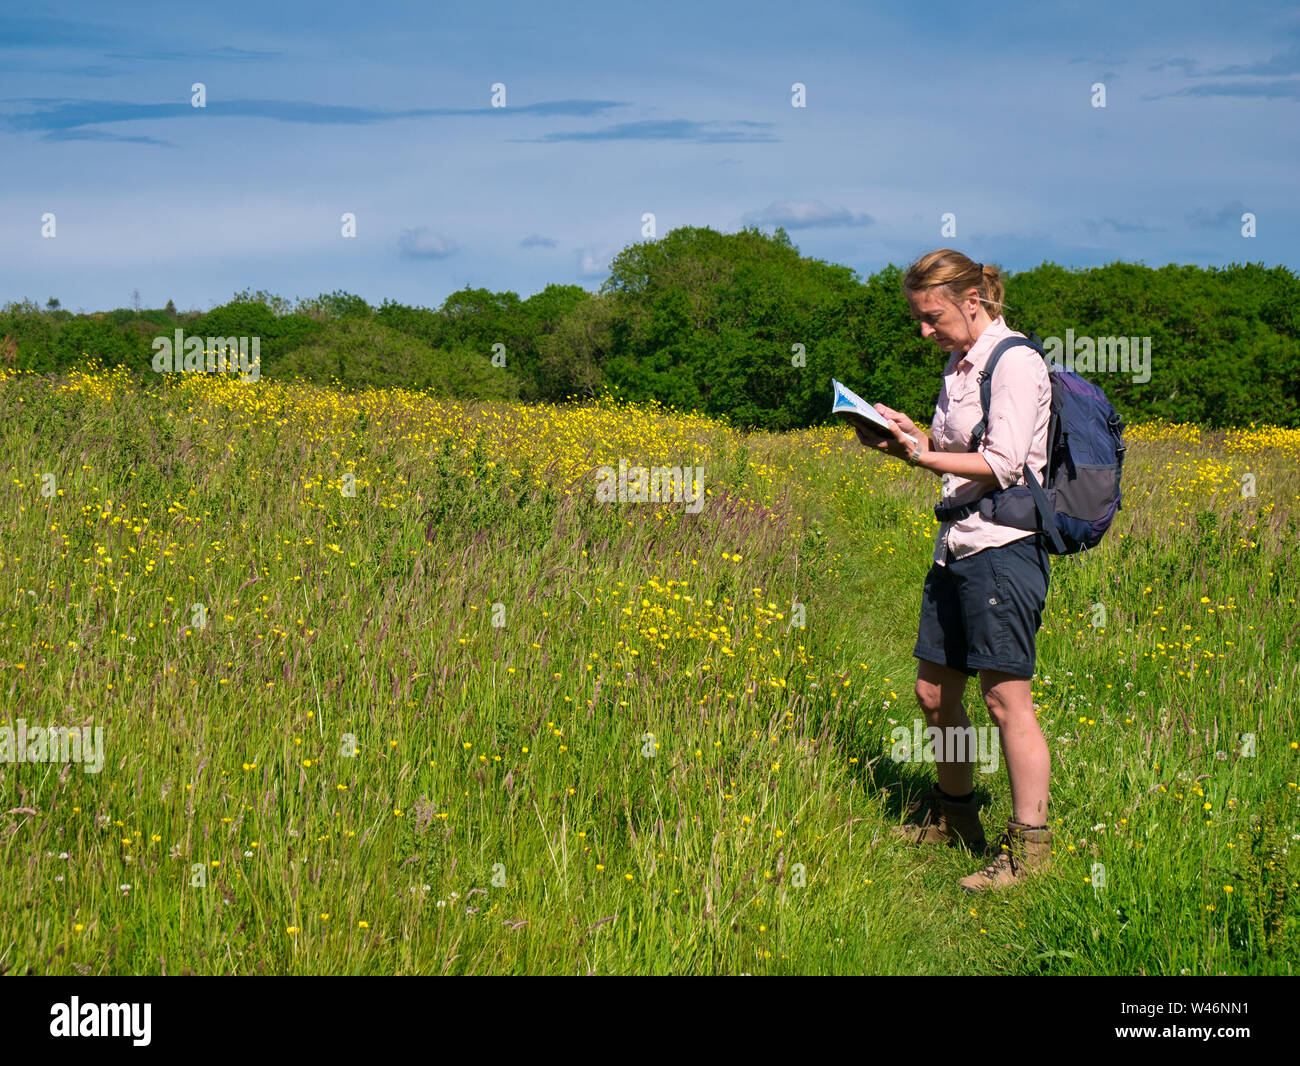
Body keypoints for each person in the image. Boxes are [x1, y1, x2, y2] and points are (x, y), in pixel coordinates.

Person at [857, 249, 1054, 892]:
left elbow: (1001, 464)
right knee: (935, 695)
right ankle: (956, 819)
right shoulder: (958, 365)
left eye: (932, 316)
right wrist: (909, 438)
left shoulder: (1016, 363)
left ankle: (1029, 855)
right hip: (956, 544)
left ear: (974, 300)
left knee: (1005, 701)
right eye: (918, 318)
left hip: (1002, 548)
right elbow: (957, 451)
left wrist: (922, 459)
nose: (924, 331)